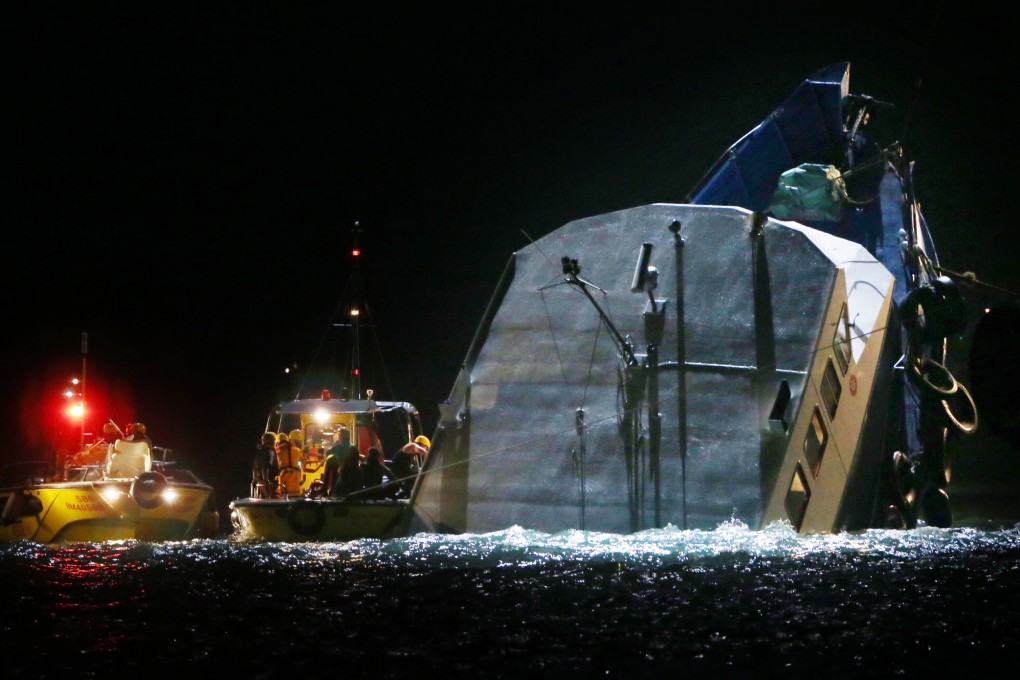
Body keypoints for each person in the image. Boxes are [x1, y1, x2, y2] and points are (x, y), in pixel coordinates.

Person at [274, 432, 304, 498]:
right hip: (296, 477)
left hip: (283, 477)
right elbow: (301, 462)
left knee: (284, 496)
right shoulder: (297, 450)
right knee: (296, 496)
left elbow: (276, 465)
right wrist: (298, 465)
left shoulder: (278, 452)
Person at [251, 432, 279, 498]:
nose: (275, 442)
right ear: (271, 441)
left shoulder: (260, 452)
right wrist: (266, 481)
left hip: (259, 481)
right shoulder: (270, 452)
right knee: (271, 498)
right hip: (270, 482)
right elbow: (266, 466)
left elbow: (254, 468)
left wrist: (254, 480)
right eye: (274, 440)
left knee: (262, 497)